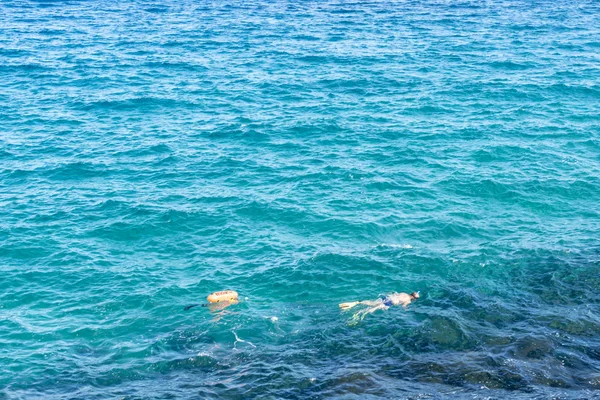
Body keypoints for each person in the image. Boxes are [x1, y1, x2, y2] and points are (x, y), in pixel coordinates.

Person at [339, 292, 420, 322]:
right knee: (371, 310)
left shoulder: (404, 293)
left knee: (373, 303)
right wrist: (406, 310)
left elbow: (394, 294)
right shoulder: (408, 301)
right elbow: (404, 306)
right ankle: (359, 314)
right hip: (390, 303)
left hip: (388, 298)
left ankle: (358, 302)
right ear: (414, 298)